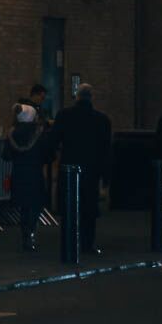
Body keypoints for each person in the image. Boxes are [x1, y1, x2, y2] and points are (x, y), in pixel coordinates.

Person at [50, 83, 113, 253]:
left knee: (69, 206)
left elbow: (53, 141)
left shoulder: (64, 115)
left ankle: (68, 241)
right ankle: (87, 243)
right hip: (91, 170)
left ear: (76, 97)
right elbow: (106, 149)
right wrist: (106, 178)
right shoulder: (102, 120)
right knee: (89, 208)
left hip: (69, 167)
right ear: (91, 98)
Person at [3, 103, 53, 250]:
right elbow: (48, 155)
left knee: (24, 206)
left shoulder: (13, 132)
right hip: (35, 173)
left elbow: (6, 155)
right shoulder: (38, 132)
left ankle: (25, 232)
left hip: (18, 172)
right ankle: (31, 231)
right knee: (35, 204)